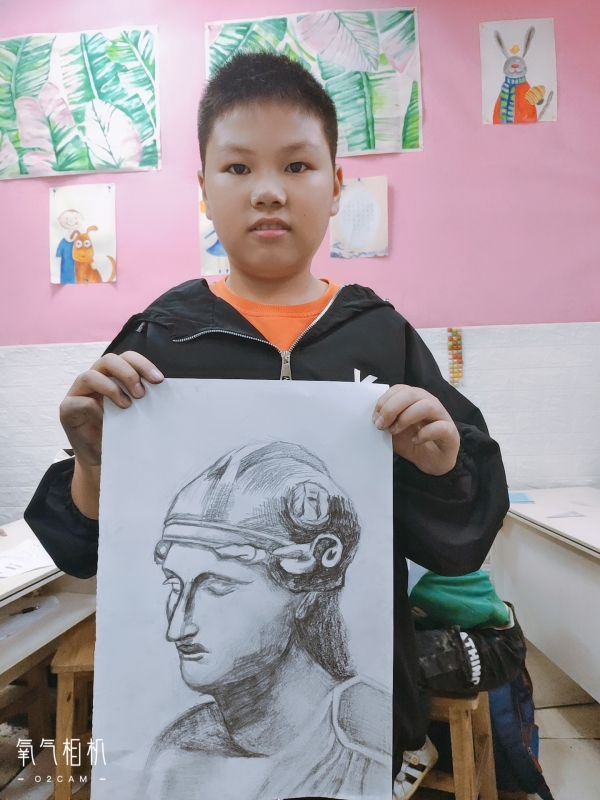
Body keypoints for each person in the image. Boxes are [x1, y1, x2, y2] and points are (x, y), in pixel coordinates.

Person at [25, 52, 509, 798]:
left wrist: (439, 464)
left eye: (297, 165)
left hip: (361, 749)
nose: (269, 191)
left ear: (336, 185)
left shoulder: (381, 338)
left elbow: (458, 540)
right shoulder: (161, 340)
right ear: (203, 187)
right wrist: (94, 466)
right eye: (238, 167)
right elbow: (85, 552)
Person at [138, 440, 391, 799]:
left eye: (218, 587)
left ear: (306, 594)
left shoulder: (367, 749)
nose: (177, 627)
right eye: (174, 585)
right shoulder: (178, 748)